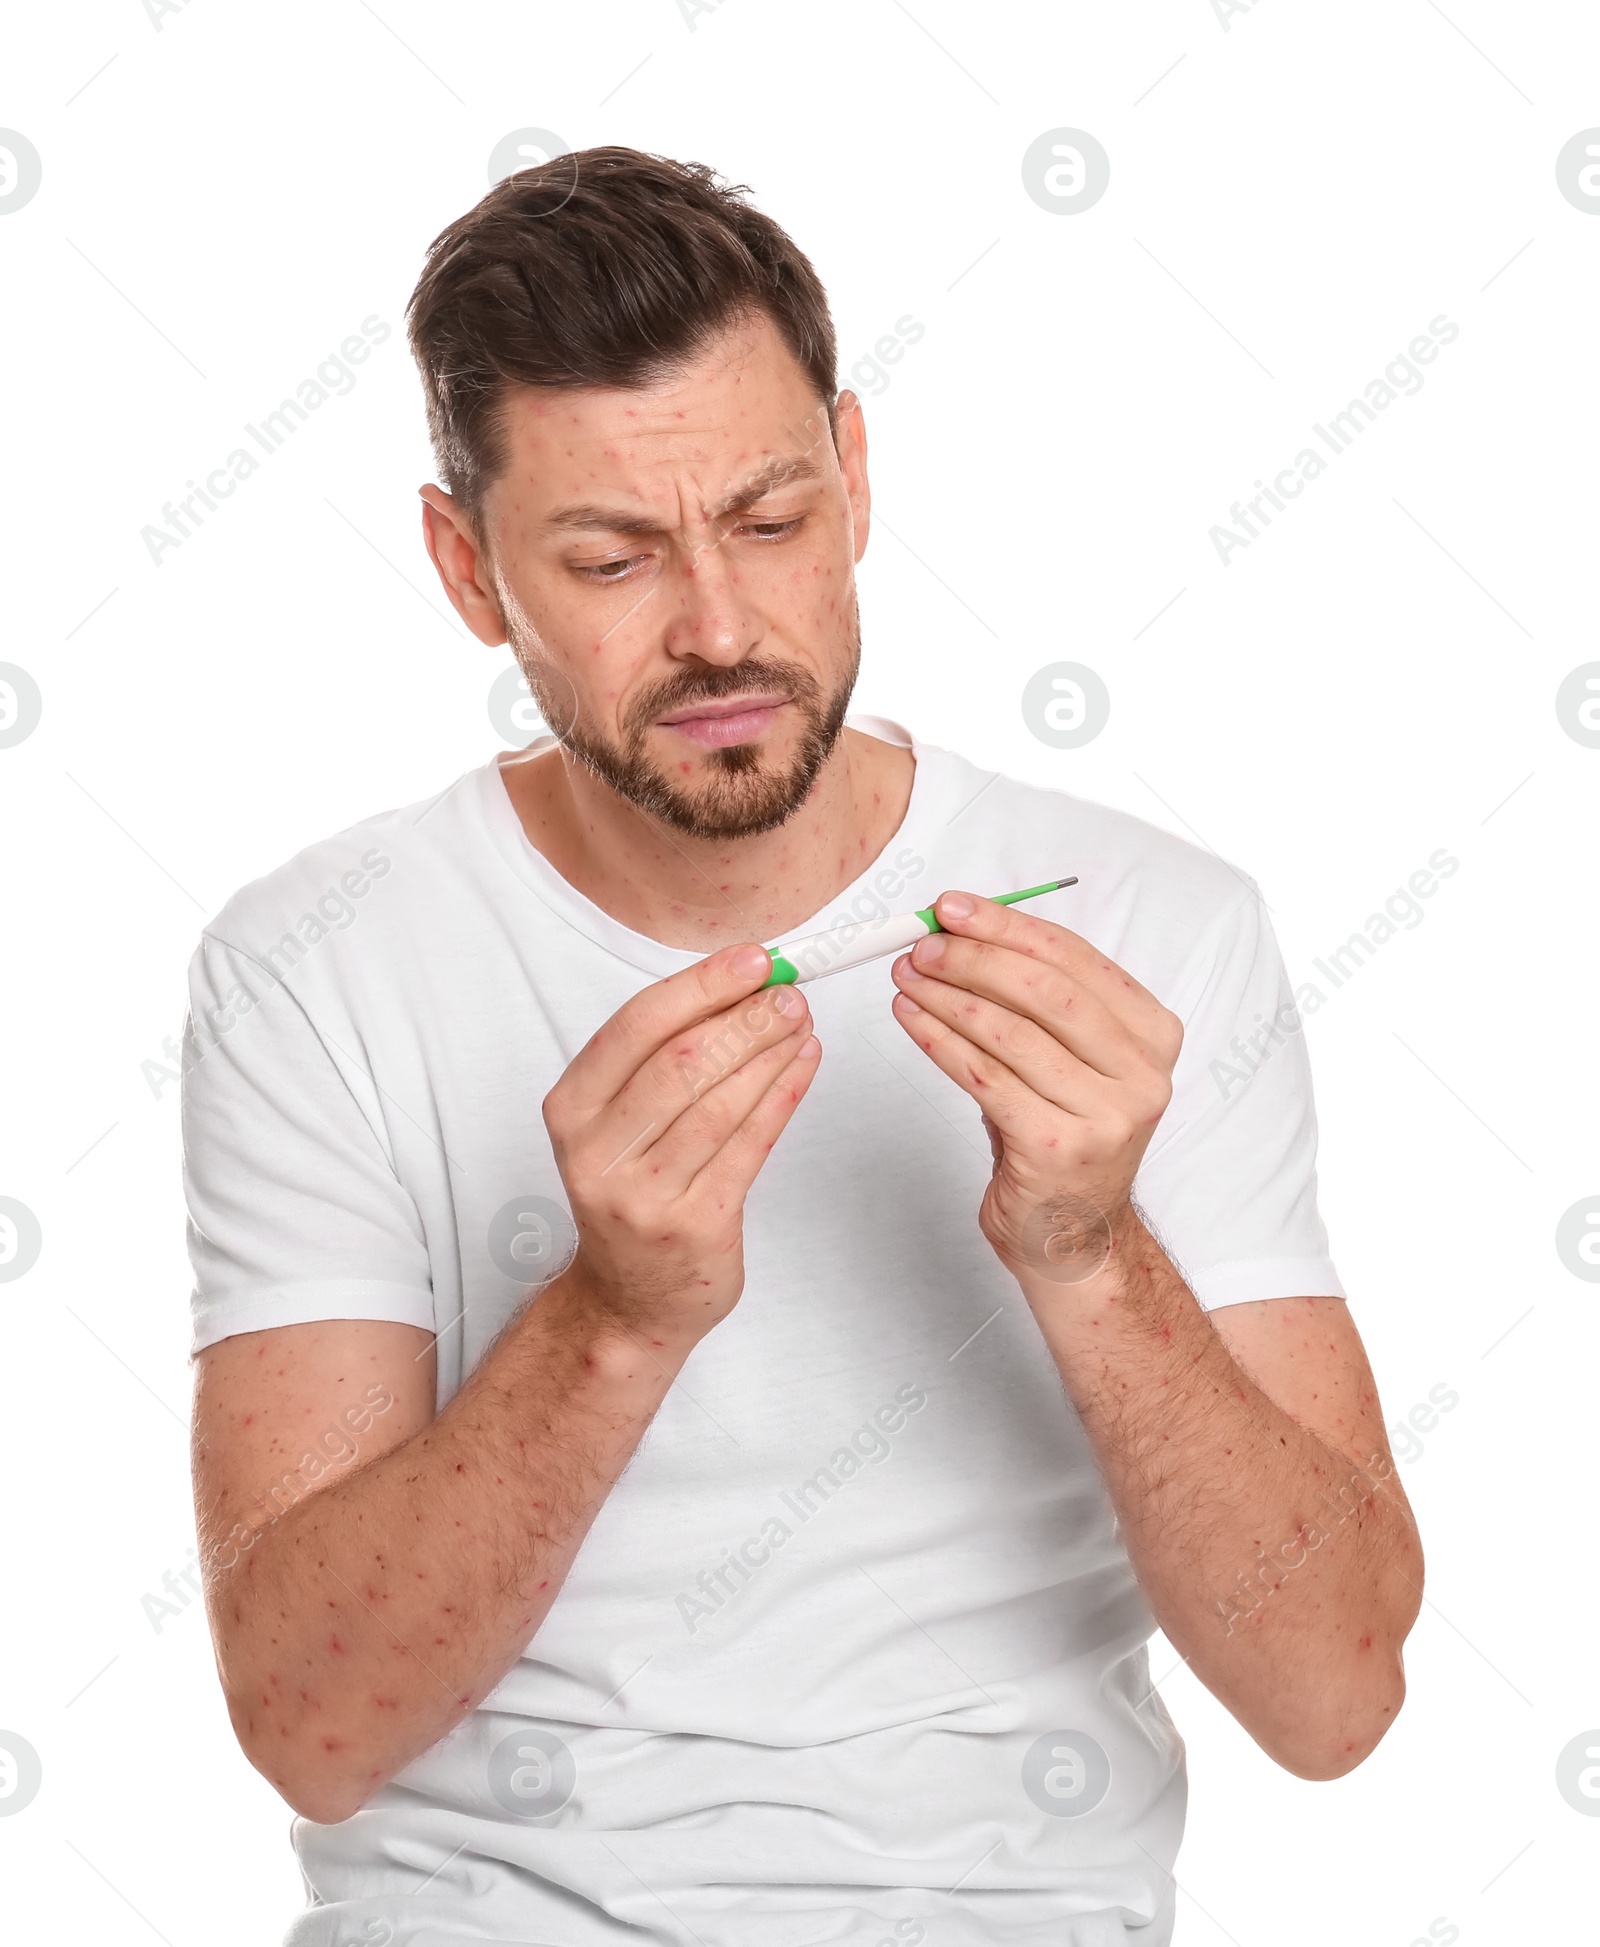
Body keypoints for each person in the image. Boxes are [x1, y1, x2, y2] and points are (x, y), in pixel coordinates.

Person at [183, 146, 1422, 1947]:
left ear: (853, 477)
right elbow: (310, 1726)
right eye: (608, 557)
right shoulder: (315, 963)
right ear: (468, 568)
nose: (715, 628)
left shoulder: (1164, 928)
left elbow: (1338, 1701)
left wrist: (1091, 1248)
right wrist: (613, 1320)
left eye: (768, 522)